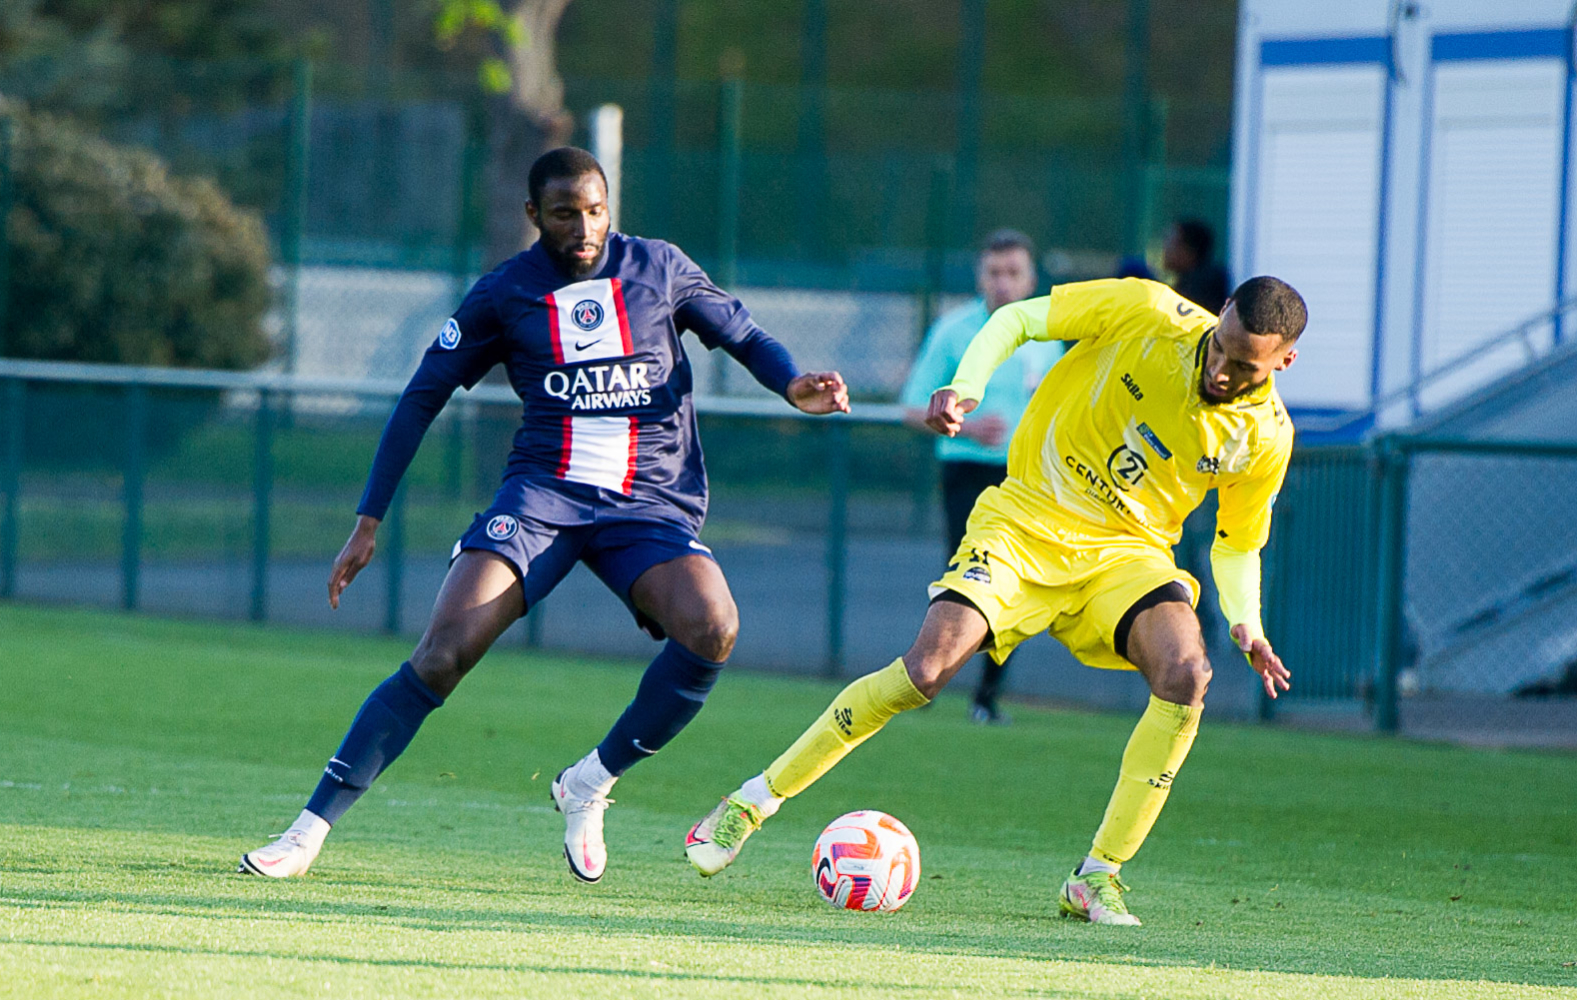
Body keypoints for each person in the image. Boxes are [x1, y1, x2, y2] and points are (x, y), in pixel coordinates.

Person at [239, 147, 850, 884]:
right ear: (533, 215)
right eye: (565, 214)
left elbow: (743, 335)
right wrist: (368, 520)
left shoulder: (658, 268)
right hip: (543, 496)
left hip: (647, 501)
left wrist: (792, 383)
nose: (584, 228)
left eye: (596, 211)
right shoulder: (505, 293)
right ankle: (304, 834)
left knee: (713, 627)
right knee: (441, 654)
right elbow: (422, 396)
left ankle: (591, 781)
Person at [684, 275, 1306, 926]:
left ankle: (1098, 875)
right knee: (925, 671)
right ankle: (750, 802)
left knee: (1187, 675)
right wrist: (967, 386)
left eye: (1244, 366)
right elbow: (1019, 320)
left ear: (1284, 361)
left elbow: (1238, 543)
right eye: (1219, 346)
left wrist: (1246, 620)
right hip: (1025, 522)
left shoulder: (1266, 437)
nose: (1221, 370)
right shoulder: (1149, 311)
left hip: (1126, 554)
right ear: (1222, 312)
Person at [899, 230, 1064, 723]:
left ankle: (987, 697)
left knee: (1013, 582)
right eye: (994, 272)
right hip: (966, 470)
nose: (1003, 283)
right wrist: (967, 427)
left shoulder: (1046, 336)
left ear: (1030, 280)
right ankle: (925, 678)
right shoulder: (954, 331)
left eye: (1013, 273)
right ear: (979, 277)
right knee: (965, 577)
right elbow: (911, 407)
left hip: (1025, 477)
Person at [1162, 219, 1231, 315]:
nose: (1165, 249)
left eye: (1172, 243)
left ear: (1189, 250)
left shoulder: (1201, 287)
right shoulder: (1188, 281)